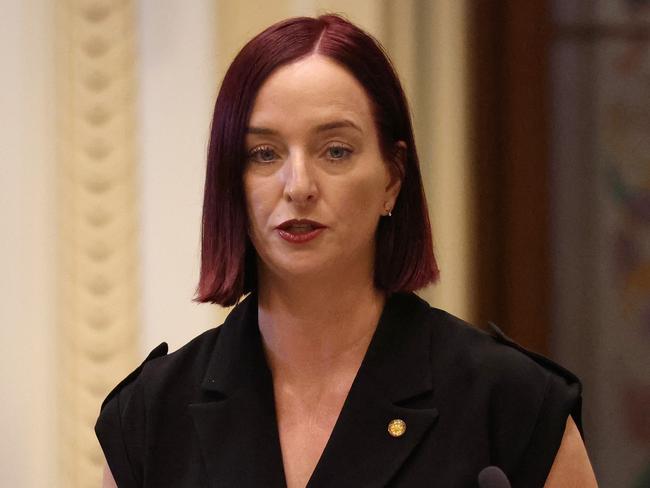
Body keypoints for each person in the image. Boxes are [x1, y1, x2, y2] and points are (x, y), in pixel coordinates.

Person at [96, 14, 597, 488]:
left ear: (392, 179)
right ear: (231, 181)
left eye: (335, 150)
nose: (298, 186)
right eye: (264, 154)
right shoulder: (148, 416)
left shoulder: (513, 404)